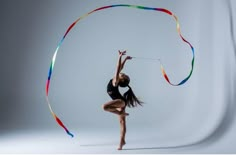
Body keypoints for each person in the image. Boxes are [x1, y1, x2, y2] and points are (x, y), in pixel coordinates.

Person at [102, 50, 143, 150]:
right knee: (122, 123)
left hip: (120, 102)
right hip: (120, 102)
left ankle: (120, 113)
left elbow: (117, 68)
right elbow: (120, 67)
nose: (122, 73)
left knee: (104, 107)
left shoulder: (115, 82)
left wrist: (119, 56)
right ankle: (122, 142)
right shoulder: (115, 79)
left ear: (121, 79)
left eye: (123, 75)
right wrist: (125, 59)